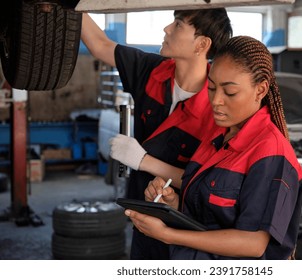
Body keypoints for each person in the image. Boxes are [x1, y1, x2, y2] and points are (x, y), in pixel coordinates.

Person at [125, 36, 302, 260]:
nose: (216, 100)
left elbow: (254, 243)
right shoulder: (217, 136)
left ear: (260, 91)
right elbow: (212, 212)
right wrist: (173, 204)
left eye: (229, 92)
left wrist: (170, 235)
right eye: (211, 88)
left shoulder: (270, 153)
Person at [81, 9, 232, 259]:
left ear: (202, 44)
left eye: (179, 24)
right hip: (141, 217)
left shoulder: (216, 109)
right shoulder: (152, 70)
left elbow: (205, 183)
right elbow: (100, 45)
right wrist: (72, 7)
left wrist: (143, 161)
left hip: (188, 229)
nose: (167, 29)